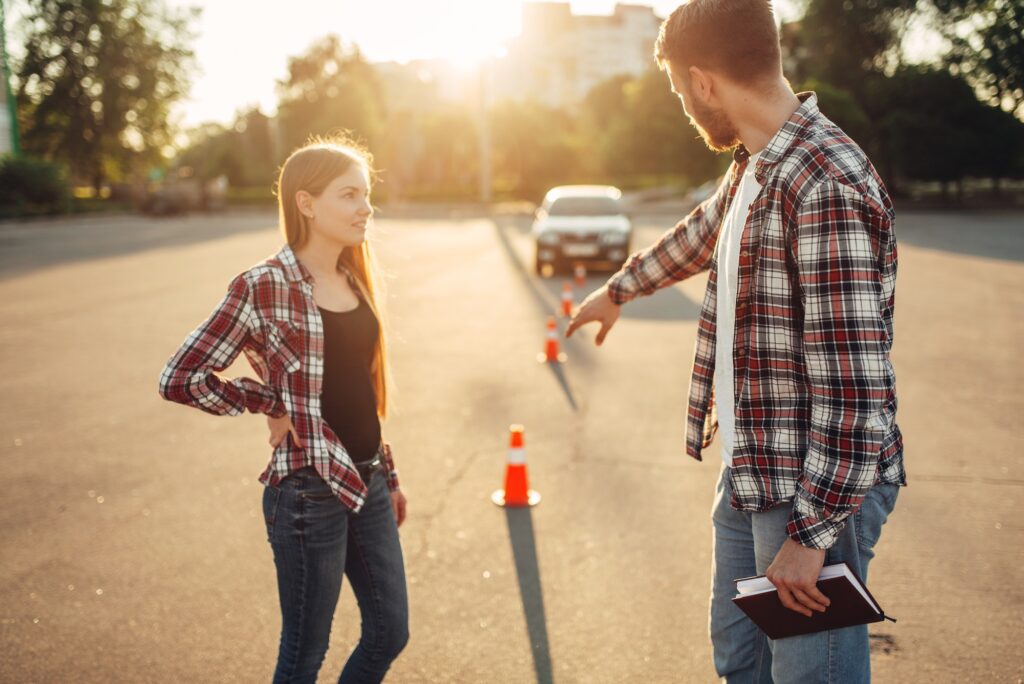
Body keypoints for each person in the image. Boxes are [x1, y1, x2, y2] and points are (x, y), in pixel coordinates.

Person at [566, 1, 903, 682]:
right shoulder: (755, 163)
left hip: (810, 488)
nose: (683, 106)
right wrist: (620, 289)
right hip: (752, 467)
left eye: (677, 90)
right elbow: (702, 233)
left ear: (702, 82)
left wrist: (812, 536)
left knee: (810, 674)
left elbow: (854, 389)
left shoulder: (823, 181)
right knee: (740, 660)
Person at [158, 136, 409, 683]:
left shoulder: (354, 276)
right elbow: (180, 378)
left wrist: (388, 476)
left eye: (366, 194)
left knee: (390, 631)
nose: (366, 208)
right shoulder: (262, 285)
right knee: (304, 655)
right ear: (306, 203)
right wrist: (270, 401)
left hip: (368, 481)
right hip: (308, 493)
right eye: (349, 195)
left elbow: (359, 390)